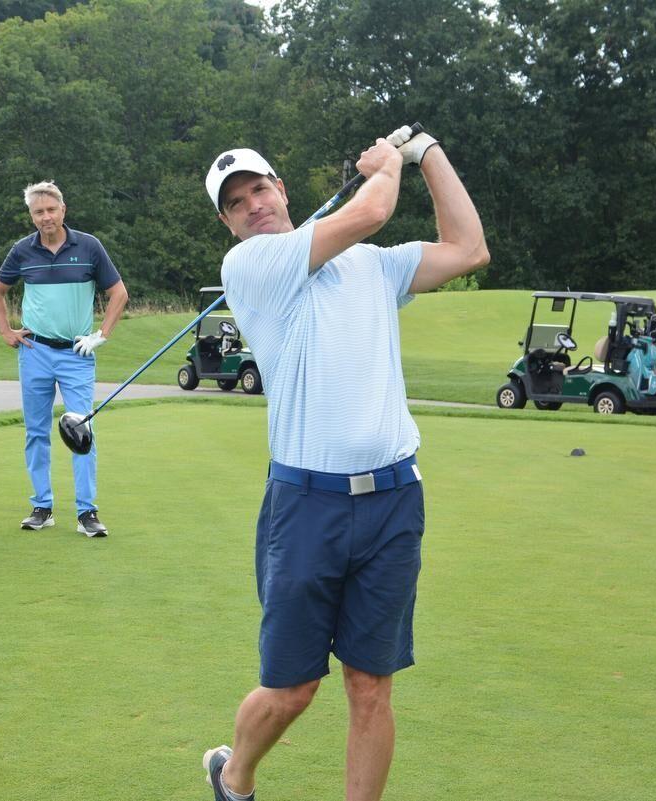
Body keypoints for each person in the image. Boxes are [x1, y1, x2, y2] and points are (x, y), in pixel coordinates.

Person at [199, 128, 489, 801]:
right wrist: (386, 167)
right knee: (292, 688)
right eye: (236, 202)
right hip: (306, 506)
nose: (253, 205)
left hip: (392, 501)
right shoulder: (249, 268)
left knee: (370, 685)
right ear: (228, 221)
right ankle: (233, 772)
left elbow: (470, 248)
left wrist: (428, 154)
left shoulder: (374, 266)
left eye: (259, 188)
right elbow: (369, 211)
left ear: (282, 188)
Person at [0, 181, 128, 537]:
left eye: (51, 210)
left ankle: (87, 513)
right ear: (32, 216)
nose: (46, 217)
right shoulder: (23, 251)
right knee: (36, 432)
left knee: (83, 430)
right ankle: (42, 507)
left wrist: (101, 335)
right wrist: (6, 331)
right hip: (35, 352)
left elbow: (118, 293)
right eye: (39, 212)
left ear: (62, 210)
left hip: (76, 354)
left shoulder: (89, 246)